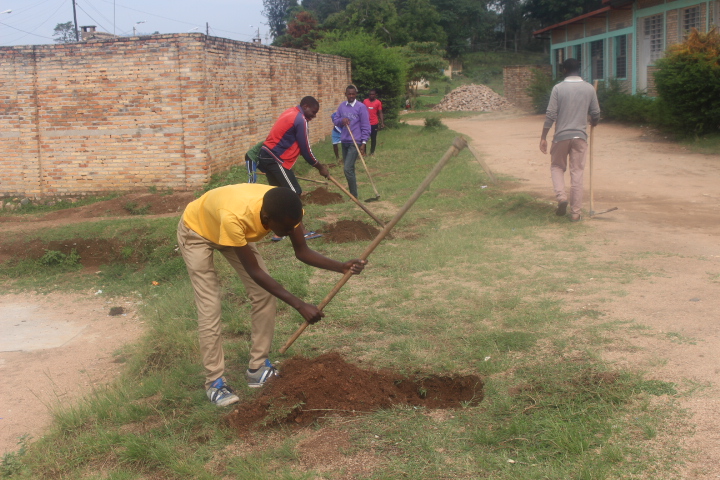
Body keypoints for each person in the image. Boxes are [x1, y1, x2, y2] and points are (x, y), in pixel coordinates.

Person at [177, 184, 366, 406]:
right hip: (197, 229)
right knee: (210, 306)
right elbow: (254, 272)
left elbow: (302, 251)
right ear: (266, 219)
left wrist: (341, 266)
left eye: (292, 227)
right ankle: (214, 382)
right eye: (285, 229)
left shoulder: (288, 210)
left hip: (231, 227)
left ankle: (257, 367)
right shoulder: (235, 217)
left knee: (264, 295)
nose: (288, 232)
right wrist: (299, 305)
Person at [259, 95, 329, 240]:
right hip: (275, 158)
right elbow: (306, 149)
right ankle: (301, 231)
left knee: (278, 194)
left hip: (267, 155)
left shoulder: (290, 112)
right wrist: (320, 167)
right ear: (305, 107)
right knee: (294, 193)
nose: (314, 116)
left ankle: (279, 231)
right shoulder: (300, 119)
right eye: (313, 112)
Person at [539, 58, 601, 222]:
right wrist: (593, 122)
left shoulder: (558, 88)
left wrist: (543, 137)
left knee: (557, 166)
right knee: (577, 173)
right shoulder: (589, 88)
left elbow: (551, 115)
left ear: (564, 70)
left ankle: (561, 197)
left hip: (561, 137)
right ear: (578, 70)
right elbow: (596, 113)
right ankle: (575, 214)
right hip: (580, 137)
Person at [333, 85, 370, 199]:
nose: (351, 96)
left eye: (353, 94)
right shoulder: (342, 106)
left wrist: (363, 142)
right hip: (344, 141)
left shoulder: (361, 107)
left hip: (355, 141)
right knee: (350, 169)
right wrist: (341, 120)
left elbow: (365, 125)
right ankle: (354, 194)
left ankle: (353, 195)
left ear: (356, 94)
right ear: (345, 94)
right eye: (349, 94)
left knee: (347, 168)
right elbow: (335, 120)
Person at [362, 89, 385, 156]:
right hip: (366, 123)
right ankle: (364, 152)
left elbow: (380, 112)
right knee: (364, 138)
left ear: (375, 95)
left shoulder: (378, 102)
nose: (371, 95)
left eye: (373, 94)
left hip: (374, 123)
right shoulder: (365, 101)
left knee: (373, 138)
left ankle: (372, 152)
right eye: (370, 94)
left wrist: (382, 122)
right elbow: (362, 111)